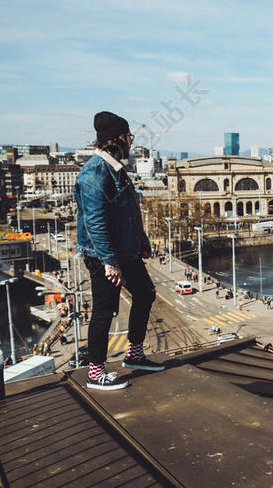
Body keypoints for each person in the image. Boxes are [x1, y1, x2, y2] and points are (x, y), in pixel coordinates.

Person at [75, 111, 164, 391]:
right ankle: (96, 372)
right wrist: (109, 262)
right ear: (118, 138)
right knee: (105, 310)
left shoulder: (116, 168)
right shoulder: (94, 174)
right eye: (129, 137)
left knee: (145, 293)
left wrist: (142, 240)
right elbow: (96, 222)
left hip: (125, 251)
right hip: (104, 255)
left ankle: (134, 355)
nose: (131, 142)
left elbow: (130, 211)